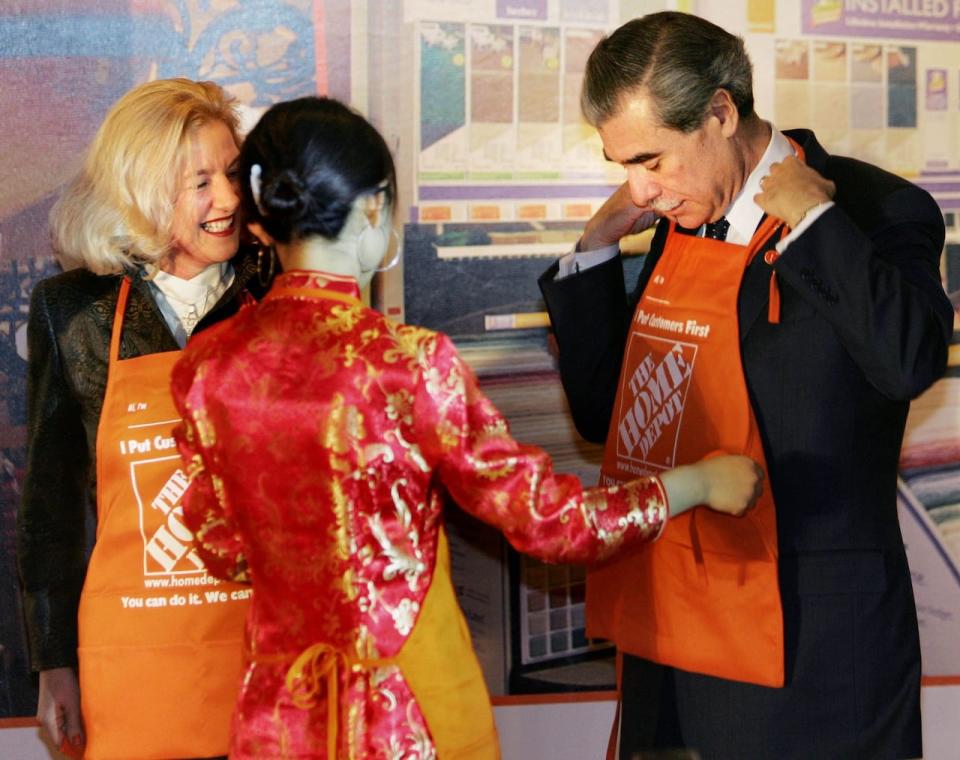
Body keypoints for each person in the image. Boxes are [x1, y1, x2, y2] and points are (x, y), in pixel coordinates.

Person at [169, 95, 763, 760]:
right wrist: (694, 483)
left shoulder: (206, 366)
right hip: (408, 710)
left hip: (277, 716)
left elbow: (222, 545)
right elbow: (549, 523)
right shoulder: (404, 364)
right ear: (374, 209)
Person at [538, 11, 955, 759]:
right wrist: (597, 249)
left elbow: (909, 362)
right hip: (674, 632)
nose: (642, 188)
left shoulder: (873, 208)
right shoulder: (675, 220)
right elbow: (608, 414)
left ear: (721, 113)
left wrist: (816, 221)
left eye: (653, 160)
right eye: (622, 165)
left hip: (812, 648)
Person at [16, 78, 270, 759]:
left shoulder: (277, 295)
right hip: (133, 662)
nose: (226, 199)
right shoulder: (73, 310)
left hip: (268, 656)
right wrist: (54, 663)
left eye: (231, 174)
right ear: (140, 190)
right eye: (199, 182)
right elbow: (52, 504)